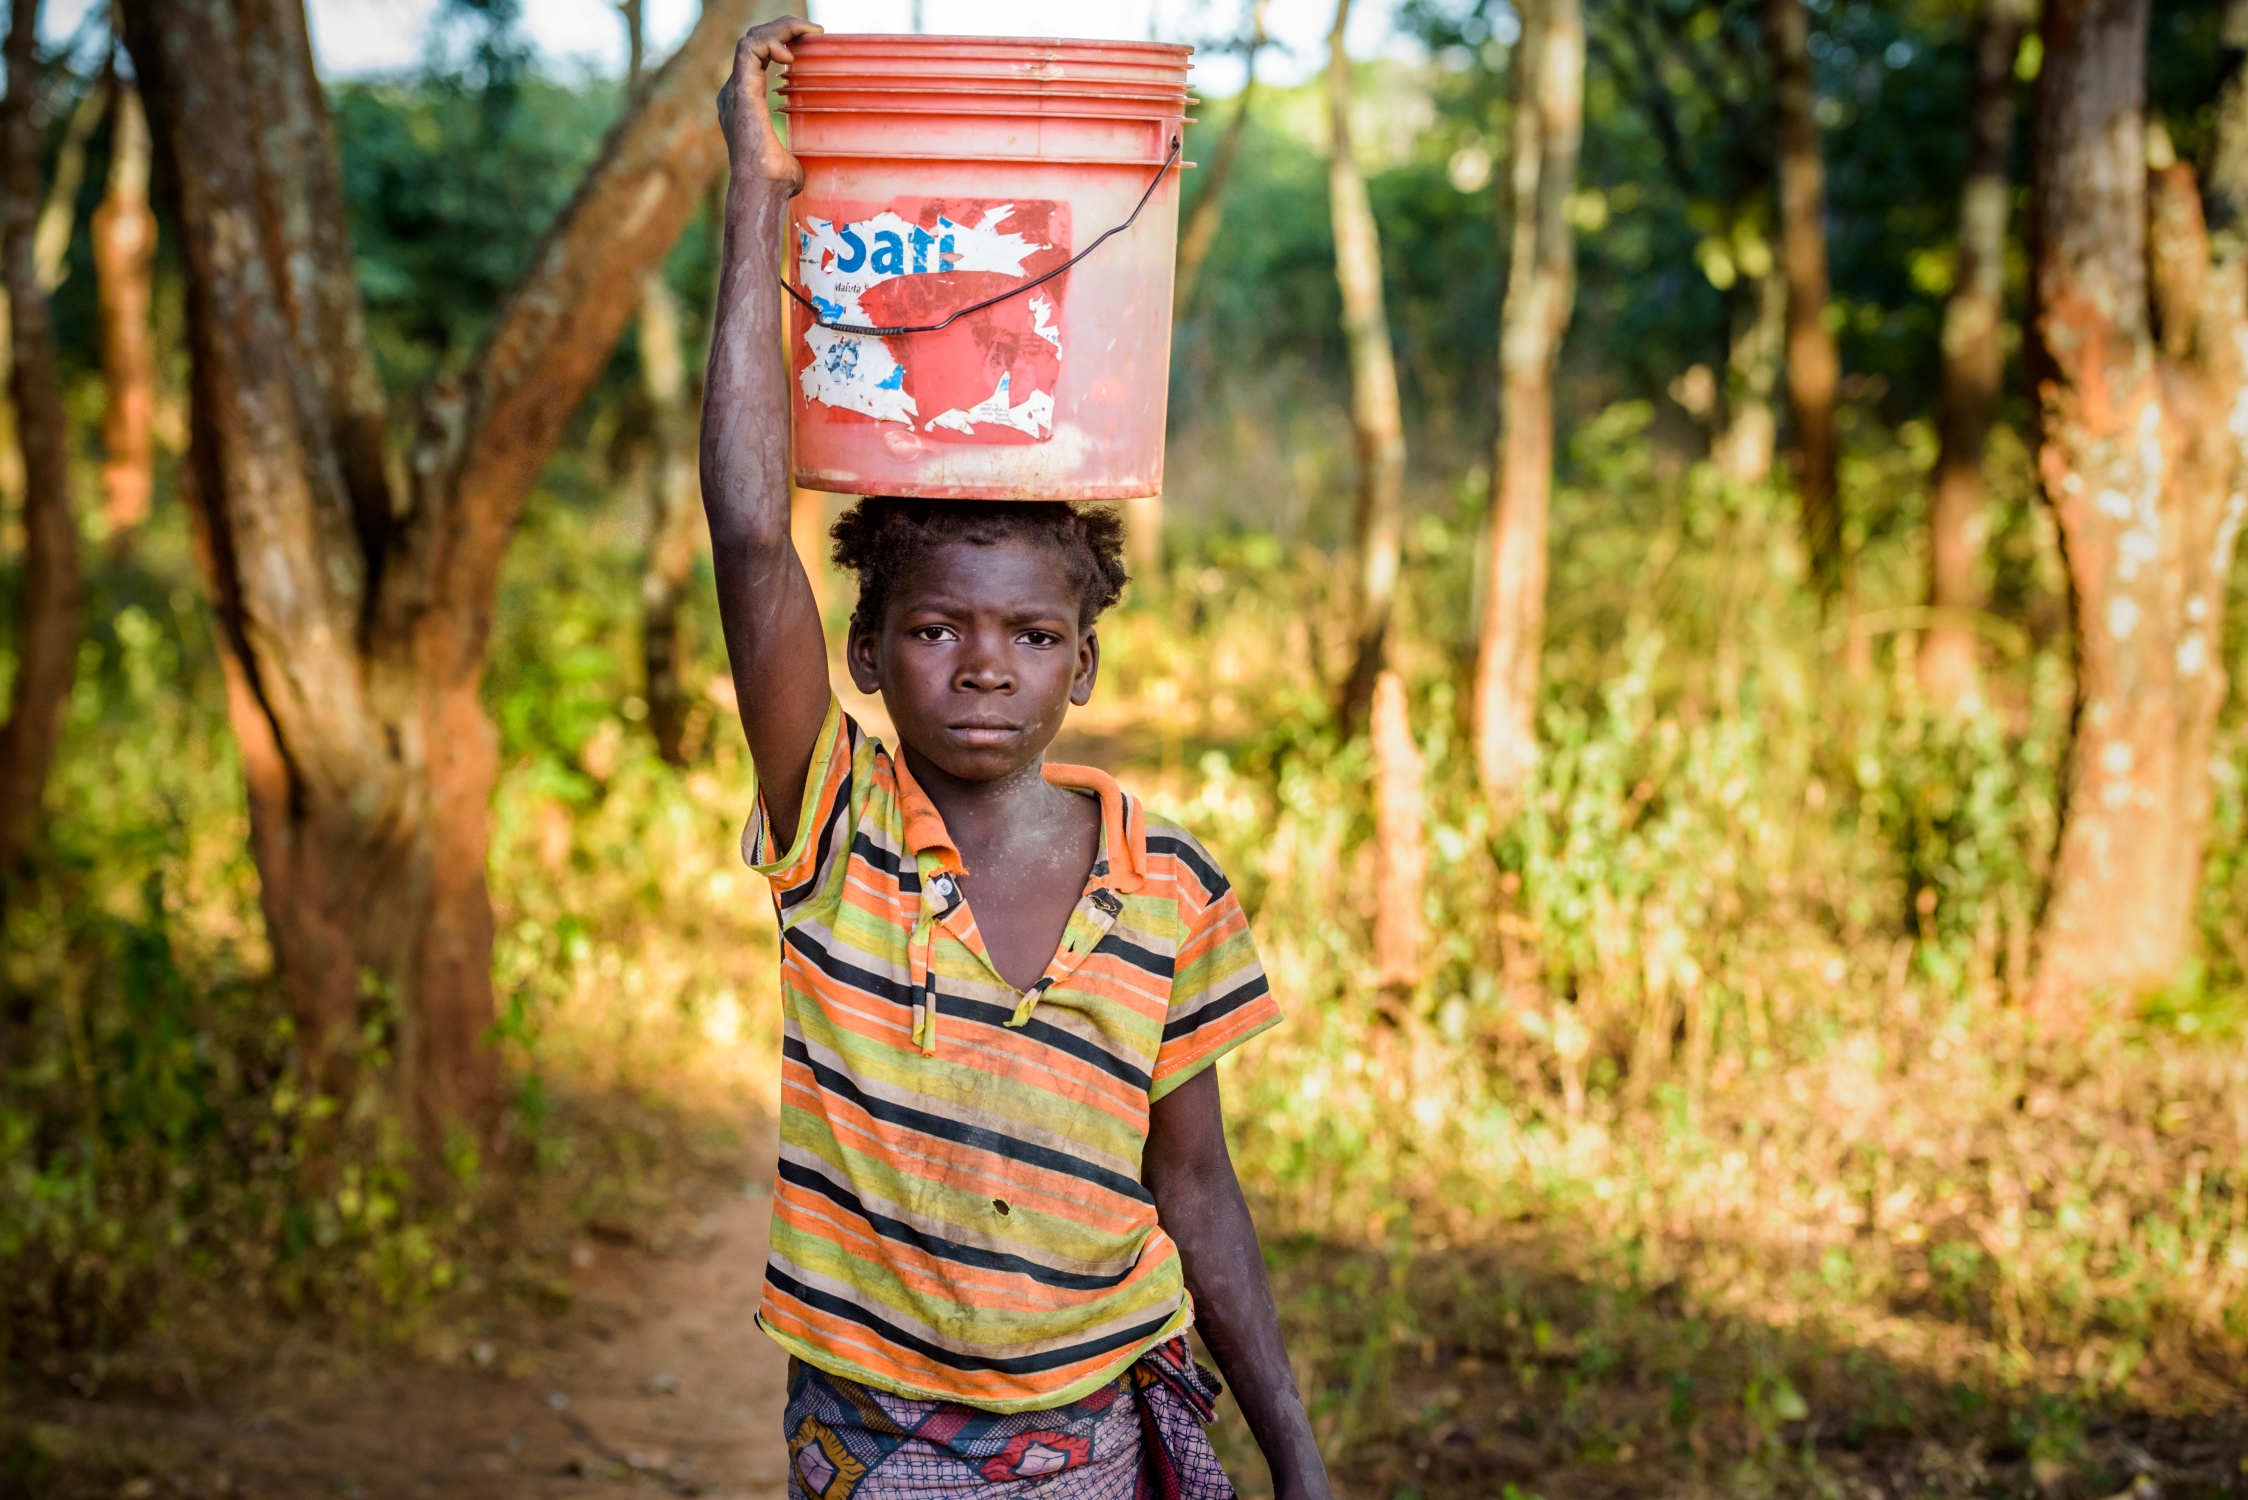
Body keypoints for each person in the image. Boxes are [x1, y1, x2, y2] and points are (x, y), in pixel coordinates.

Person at [700, 18, 1336, 1500]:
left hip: (1096, 1436)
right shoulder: (833, 818)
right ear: (865, 656)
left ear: (1086, 662)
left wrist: (1297, 1456)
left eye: (1034, 638)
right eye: (935, 629)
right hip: (873, 1441)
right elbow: (748, 536)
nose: (986, 664)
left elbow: (1196, 1186)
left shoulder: (1168, 890)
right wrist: (759, 191)